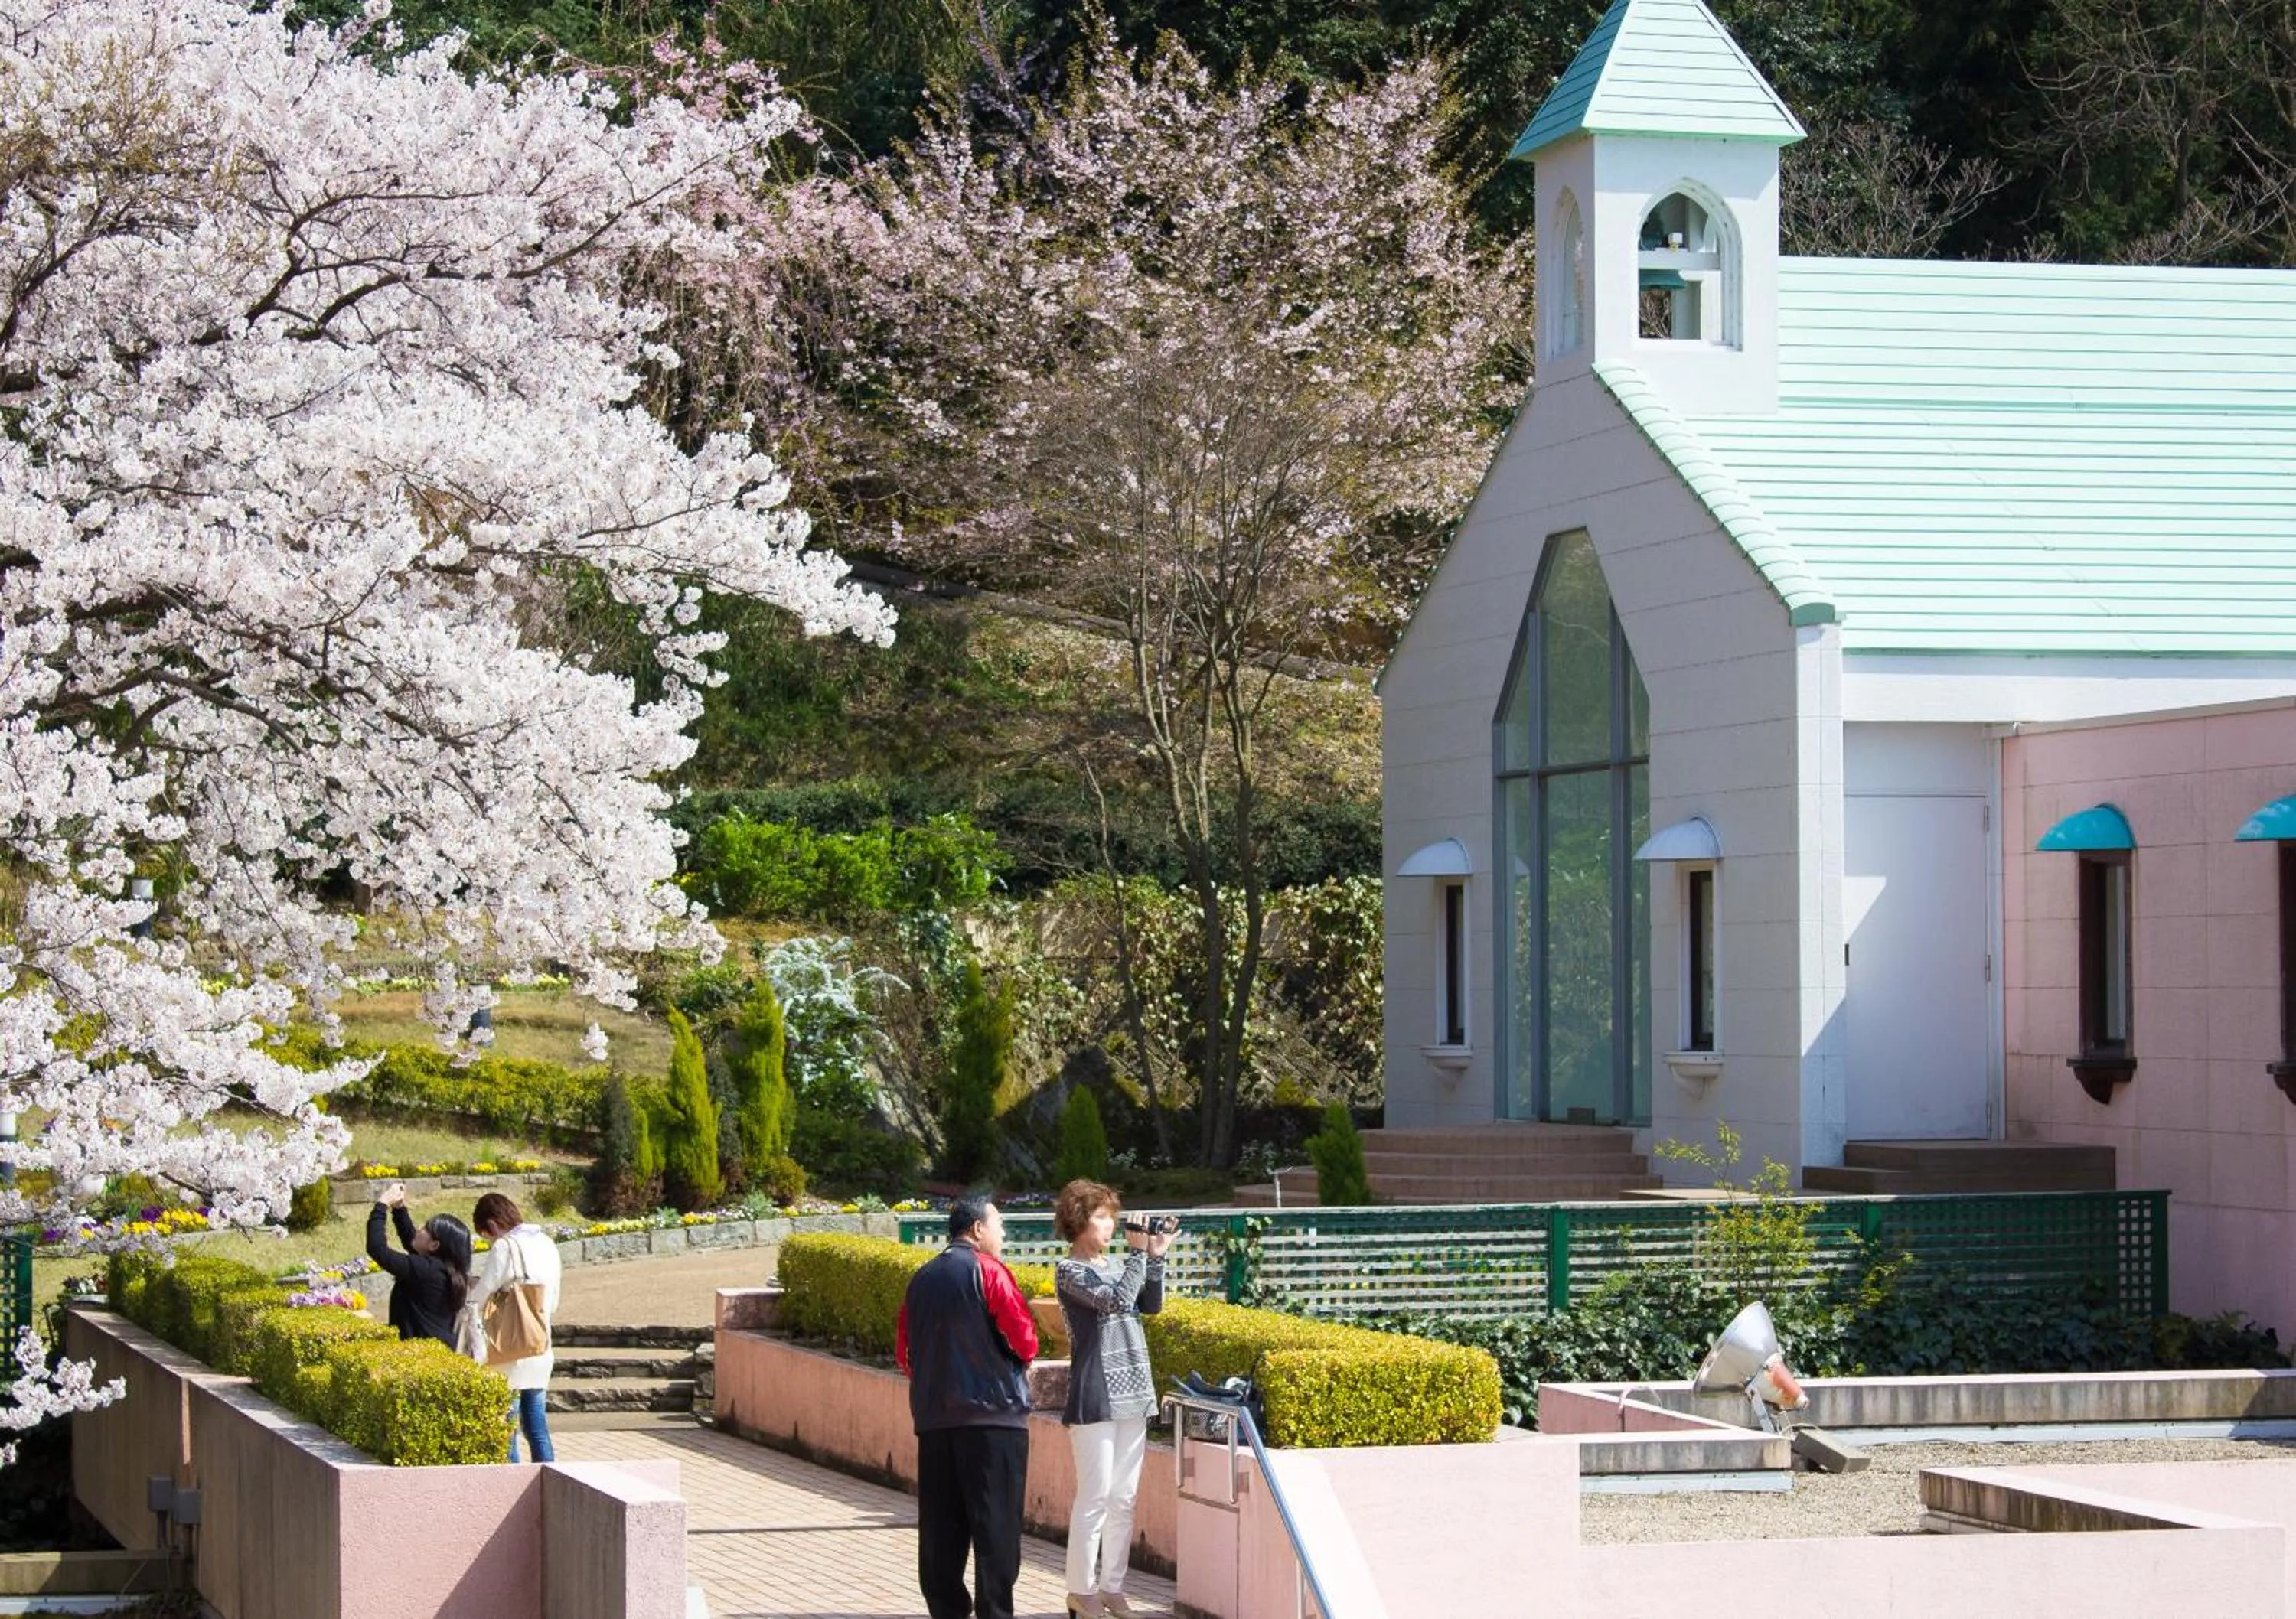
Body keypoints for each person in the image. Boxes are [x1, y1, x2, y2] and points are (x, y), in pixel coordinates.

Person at [896, 1195, 1039, 1619]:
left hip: (936, 1420)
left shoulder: (921, 1279)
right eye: (999, 1224)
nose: (1003, 1233)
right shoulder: (989, 1271)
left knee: (941, 1530)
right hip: (994, 1420)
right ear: (977, 1229)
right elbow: (1024, 1339)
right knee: (995, 1529)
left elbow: (906, 1353)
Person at [1052, 1180, 1169, 1619]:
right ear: (1078, 1222)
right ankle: (1080, 1591)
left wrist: (1154, 1257)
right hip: (1096, 1393)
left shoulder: (1121, 1263)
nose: (1110, 1225)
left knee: (1125, 1497)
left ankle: (1112, 1586)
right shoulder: (1071, 1272)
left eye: (1112, 1217)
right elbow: (1116, 1301)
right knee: (1096, 1495)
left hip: (1135, 1391)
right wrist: (1140, 1256)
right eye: (1100, 1216)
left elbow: (1150, 1304)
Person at [468, 1191, 562, 1464]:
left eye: (486, 1233)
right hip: (540, 1339)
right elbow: (553, 1298)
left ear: (493, 1224)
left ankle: (513, 1481)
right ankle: (548, 1478)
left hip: (510, 1346)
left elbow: (482, 1293)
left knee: (507, 1424)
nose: (489, 1239)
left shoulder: (505, 1247)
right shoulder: (546, 1242)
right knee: (537, 1425)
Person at [365, 1181, 473, 1350]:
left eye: (425, 1229)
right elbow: (412, 1241)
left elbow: (377, 1250)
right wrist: (399, 1208)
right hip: (438, 1350)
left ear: (434, 1245)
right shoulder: (444, 1267)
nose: (419, 1231)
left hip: (422, 1355)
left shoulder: (426, 1270)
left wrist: (382, 1204)